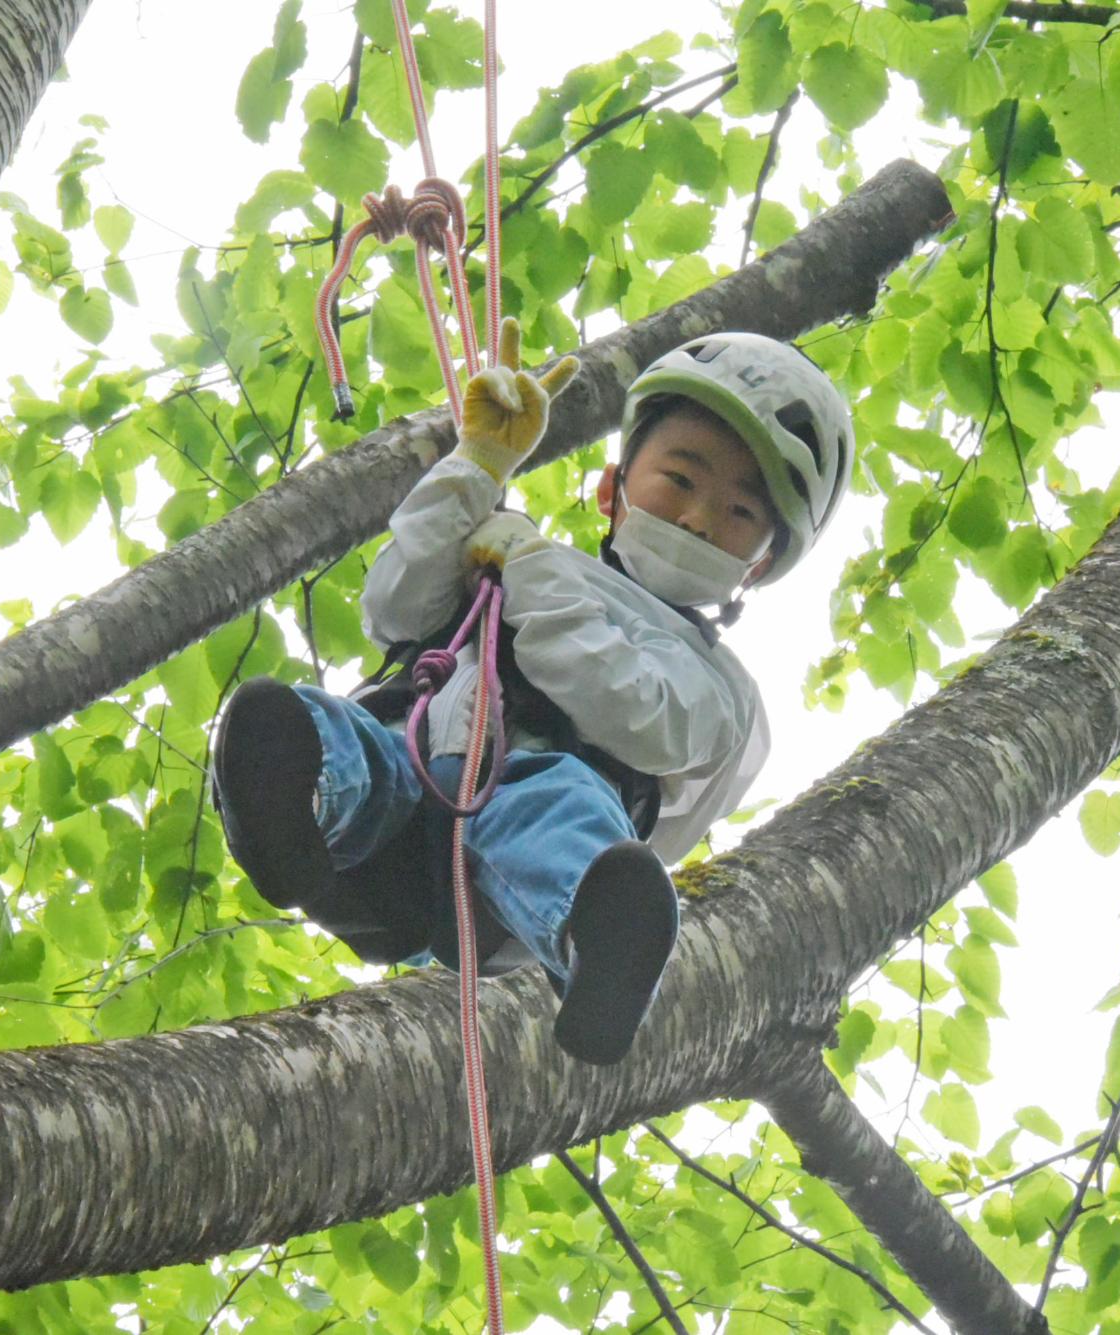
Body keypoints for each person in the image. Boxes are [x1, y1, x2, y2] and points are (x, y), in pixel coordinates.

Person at [213, 319, 854, 1064]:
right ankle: (298, 808)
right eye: (680, 479)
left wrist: (530, 569)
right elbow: (398, 603)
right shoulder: (509, 555)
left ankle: (597, 937)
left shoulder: (720, 689)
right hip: (398, 801)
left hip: (498, 870)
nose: (697, 518)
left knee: (556, 793)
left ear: (758, 566)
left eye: (740, 513)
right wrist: (477, 466)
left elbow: (628, 705)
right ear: (611, 488)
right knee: (329, 727)